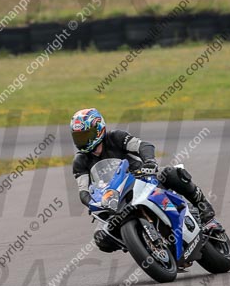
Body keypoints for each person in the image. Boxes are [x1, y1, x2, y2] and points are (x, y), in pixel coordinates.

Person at [70, 108, 221, 252]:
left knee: (172, 173)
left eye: (85, 135)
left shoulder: (116, 137)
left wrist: (149, 162)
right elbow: (83, 190)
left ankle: (206, 214)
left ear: (98, 129)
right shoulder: (80, 161)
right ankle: (141, 243)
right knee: (101, 238)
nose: (82, 140)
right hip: (113, 199)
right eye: (78, 137)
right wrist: (92, 203)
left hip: (140, 178)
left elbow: (143, 145)